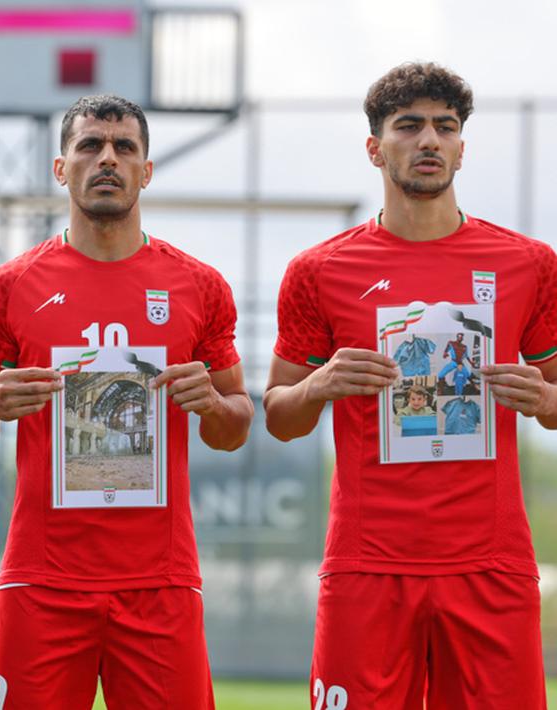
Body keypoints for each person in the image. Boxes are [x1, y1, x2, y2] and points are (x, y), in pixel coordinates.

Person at [264, 62, 556, 708]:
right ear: (374, 148)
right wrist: (319, 387)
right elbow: (278, 414)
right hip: (367, 567)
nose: (428, 140)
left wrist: (541, 398)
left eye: (443, 128)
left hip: (489, 566)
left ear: (460, 147)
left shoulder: (527, 264)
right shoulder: (318, 271)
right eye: (409, 126)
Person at [0, 95, 253, 709]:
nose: (107, 159)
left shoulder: (198, 286)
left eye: (124, 148)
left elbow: (236, 425)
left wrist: (213, 406)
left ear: (146, 170)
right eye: (89, 145)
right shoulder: (12, 285)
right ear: (61, 168)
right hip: (42, 579)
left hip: (158, 583)